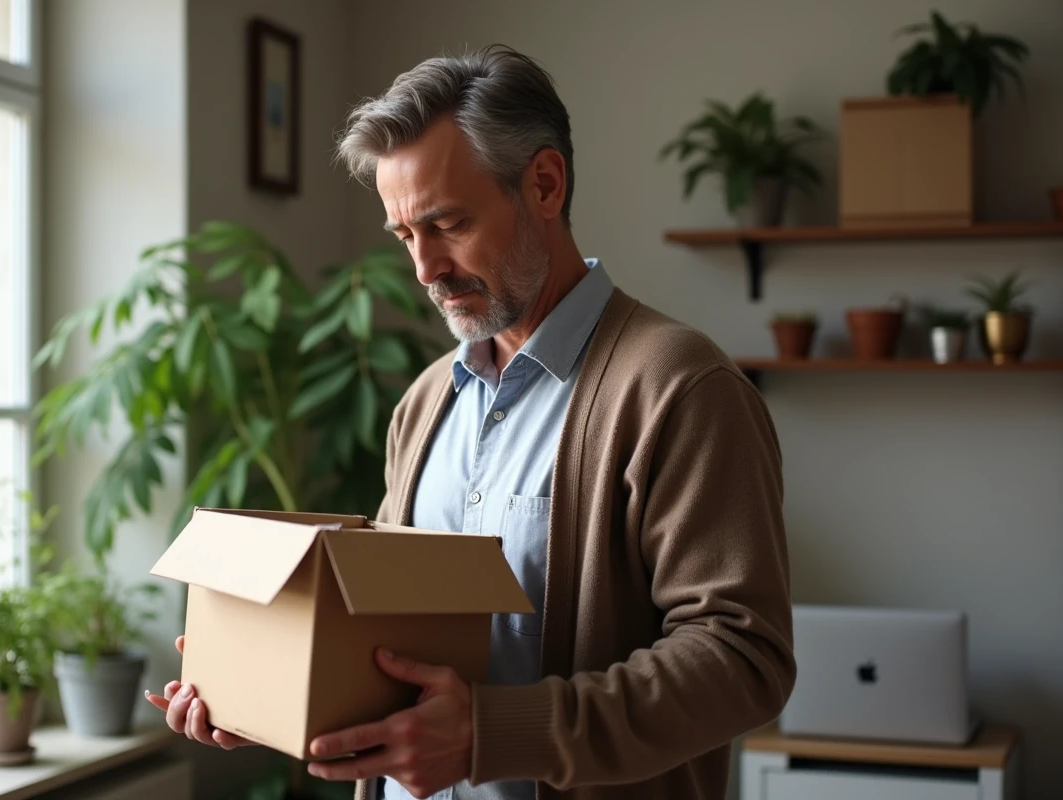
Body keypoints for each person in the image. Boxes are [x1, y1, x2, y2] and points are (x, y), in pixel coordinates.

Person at [148, 44, 795, 800]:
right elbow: (379, 644)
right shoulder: (424, 404)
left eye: (447, 223)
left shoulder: (679, 388)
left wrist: (495, 734)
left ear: (545, 185)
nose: (424, 268)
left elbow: (744, 657)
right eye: (403, 235)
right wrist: (259, 694)